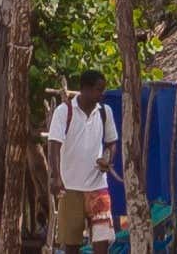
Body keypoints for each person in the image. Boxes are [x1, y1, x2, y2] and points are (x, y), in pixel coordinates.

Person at [44, 72, 121, 253]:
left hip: (98, 187)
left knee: (102, 242)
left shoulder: (105, 112)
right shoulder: (64, 111)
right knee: (72, 244)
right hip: (71, 187)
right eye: (98, 90)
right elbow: (54, 144)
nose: (102, 94)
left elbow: (112, 142)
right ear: (85, 89)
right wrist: (56, 176)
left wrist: (108, 159)